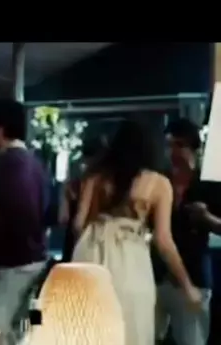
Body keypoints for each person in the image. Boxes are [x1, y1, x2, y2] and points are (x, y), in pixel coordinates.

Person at [72, 120, 202, 345]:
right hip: (131, 262)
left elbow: (78, 224)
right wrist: (187, 285)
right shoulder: (159, 184)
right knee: (131, 327)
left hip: (91, 256)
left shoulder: (95, 177)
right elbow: (163, 241)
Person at [0, 99, 49, 344]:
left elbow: (18, 215)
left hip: (14, 262)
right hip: (32, 259)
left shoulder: (10, 162)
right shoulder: (34, 162)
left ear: (0, 128)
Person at [154, 118, 221, 345]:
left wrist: (206, 218)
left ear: (194, 148)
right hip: (156, 274)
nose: (172, 151)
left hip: (194, 274)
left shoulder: (208, 184)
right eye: (168, 145)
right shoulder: (159, 181)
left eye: (179, 145)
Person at [59, 136, 106, 262]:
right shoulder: (100, 173)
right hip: (91, 220)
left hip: (78, 216)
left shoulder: (76, 166)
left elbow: (67, 189)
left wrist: (64, 209)